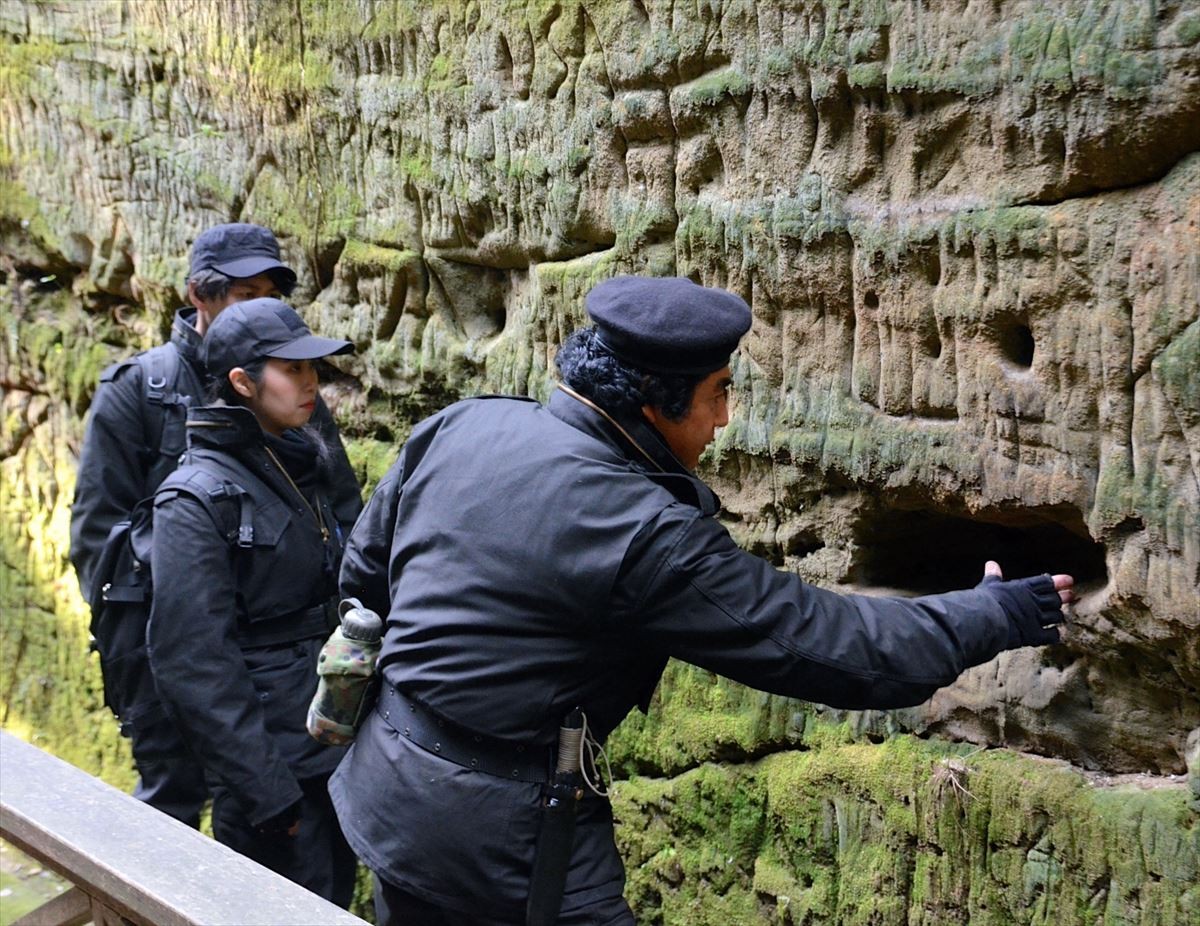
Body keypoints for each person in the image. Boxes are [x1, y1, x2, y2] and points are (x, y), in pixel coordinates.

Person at [330, 275, 1075, 926]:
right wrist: (996, 614)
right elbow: (816, 642)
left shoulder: (463, 424)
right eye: (718, 394)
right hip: (505, 838)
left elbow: (364, 577)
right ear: (655, 404)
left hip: (386, 785)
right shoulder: (643, 531)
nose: (724, 420)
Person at [69, 222, 361, 828]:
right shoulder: (139, 391)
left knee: (267, 812)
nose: (259, 308)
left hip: (272, 663)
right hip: (169, 642)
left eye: (271, 295)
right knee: (172, 808)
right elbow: (97, 537)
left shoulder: (290, 390)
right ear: (199, 296)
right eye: (243, 293)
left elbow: (338, 508)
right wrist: (143, 649)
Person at [144, 297, 359, 905]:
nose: (311, 381)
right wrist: (267, 793)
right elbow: (193, 662)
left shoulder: (304, 453)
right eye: (292, 369)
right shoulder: (194, 500)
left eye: (312, 366)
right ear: (242, 382)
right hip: (273, 777)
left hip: (333, 749)